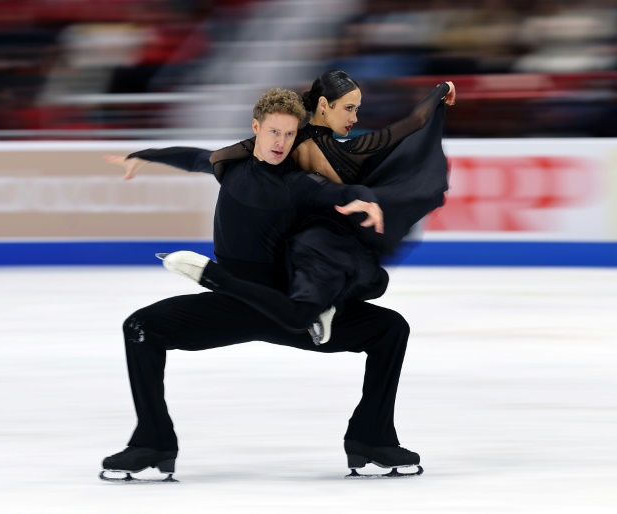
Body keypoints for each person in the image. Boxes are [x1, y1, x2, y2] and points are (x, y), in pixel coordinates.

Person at [101, 87, 420, 481]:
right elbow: (193, 158)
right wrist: (144, 156)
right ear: (256, 128)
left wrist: (364, 198)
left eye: (289, 135)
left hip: (288, 311)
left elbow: (337, 193)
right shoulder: (229, 166)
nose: (280, 143)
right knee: (140, 326)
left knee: (390, 330)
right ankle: (152, 442)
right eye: (273, 133)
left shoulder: (300, 183)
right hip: (232, 307)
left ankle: (371, 437)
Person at [123, 71, 455, 344]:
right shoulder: (305, 139)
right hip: (303, 228)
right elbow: (204, 159)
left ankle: (323, 302)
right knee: (325, 265)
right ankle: (311, 301)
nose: (355, 117)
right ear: (324, 105)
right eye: (349, 108)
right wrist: (440, 90)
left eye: (357, 109)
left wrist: (440, 90)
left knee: (370, 280)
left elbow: (413, 123)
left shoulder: (329, 143)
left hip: (329, 225)